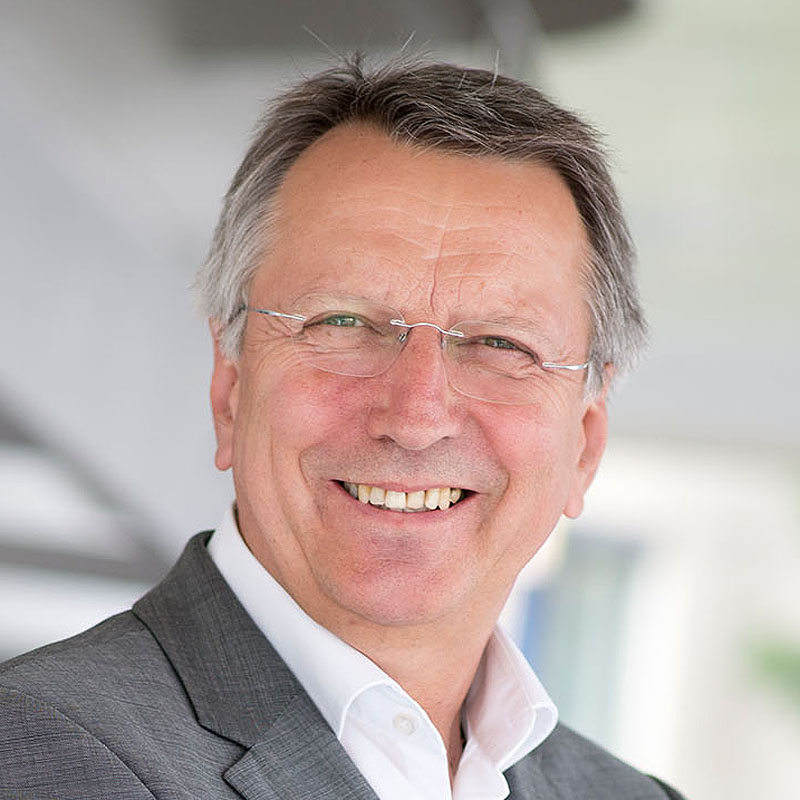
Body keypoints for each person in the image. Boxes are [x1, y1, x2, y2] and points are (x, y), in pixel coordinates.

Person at [0, 56, 685, 799]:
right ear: (230, 387)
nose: (417, 416)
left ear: (585, 444)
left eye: (501, 344)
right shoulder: (43, 754)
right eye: (344, 323)